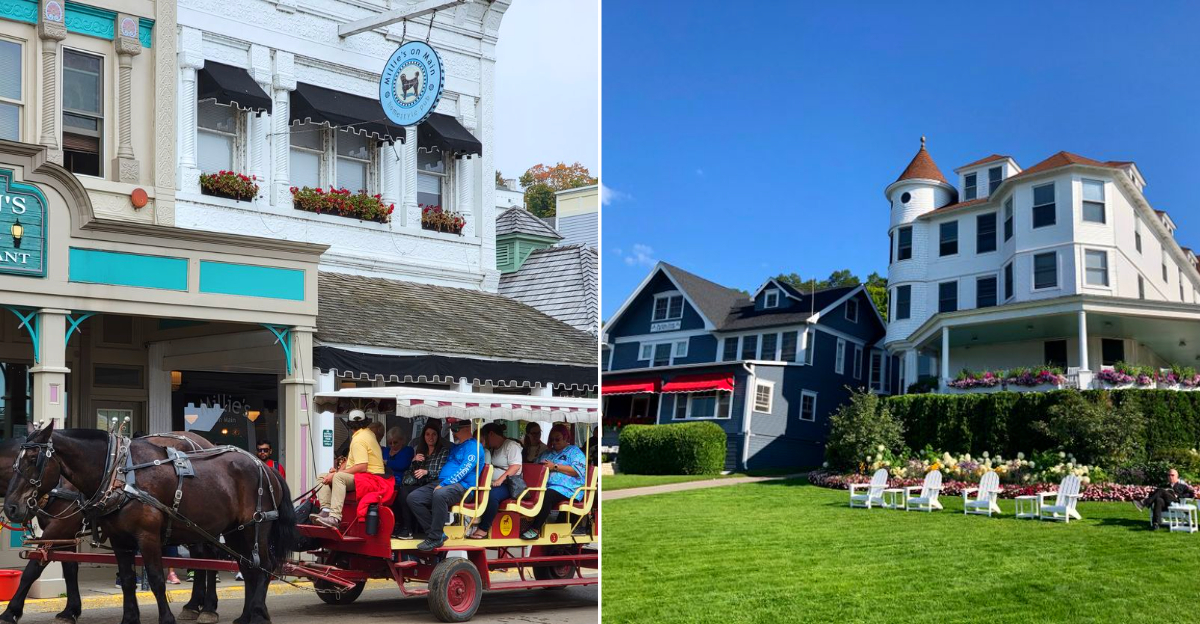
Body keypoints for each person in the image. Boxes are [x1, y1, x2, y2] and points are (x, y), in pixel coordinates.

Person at [407, 420, 484, 551]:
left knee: (440, 494)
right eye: (452, 429)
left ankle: (434, 538)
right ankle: (437, 534)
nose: (452, 432)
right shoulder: (457, 446)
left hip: (463, 486)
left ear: (467, 428)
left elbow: (465, 469)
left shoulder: (474, 447)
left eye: (455, 429)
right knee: (413, 498)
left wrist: (445, 483)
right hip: (444, 483)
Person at [312, 410, 387, 529]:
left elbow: (362, 466)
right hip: (368, 477)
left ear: (349, 425)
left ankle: (335, 517)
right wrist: (336, 471)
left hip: (371, 479)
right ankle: (326, 510)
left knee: (338, 477)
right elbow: (349, 461)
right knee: (323, 476)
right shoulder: (367, 433)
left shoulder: (359, 439)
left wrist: (337, 474)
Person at [521, 423, 586, 540]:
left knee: (547, 495)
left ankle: (535, 529)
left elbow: (576, 471)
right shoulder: (547, 453)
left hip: (568, 489)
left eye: (558, 439)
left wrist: (554, 466)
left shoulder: (574, 452)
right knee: (527, 493)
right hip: (546, 486)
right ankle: (521, 524)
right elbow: (535, 467)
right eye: (552, 439)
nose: (555, 442)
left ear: (566, 438)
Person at [469, 423, 525, 539]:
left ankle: (484, 528)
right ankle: (472, 522)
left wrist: (500, 479)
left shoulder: (511, 446)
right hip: (493, 483)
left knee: (491, 496)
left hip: (509, 484)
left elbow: (515, 467)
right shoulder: (493, 449)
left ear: (491, 434)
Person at [392, 423, 448, 539]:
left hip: (437, 485)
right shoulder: (421, 450)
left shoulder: (443, 451)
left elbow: (442, 473)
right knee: (400, 491)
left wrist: (426, 472)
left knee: (408, 494)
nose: (430, 437)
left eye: (434, 434)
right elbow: (412, 474)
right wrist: (414, 461)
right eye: (427, 434)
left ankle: (410, 529)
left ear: (438, 436)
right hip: (421, 485)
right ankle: (405, 527)